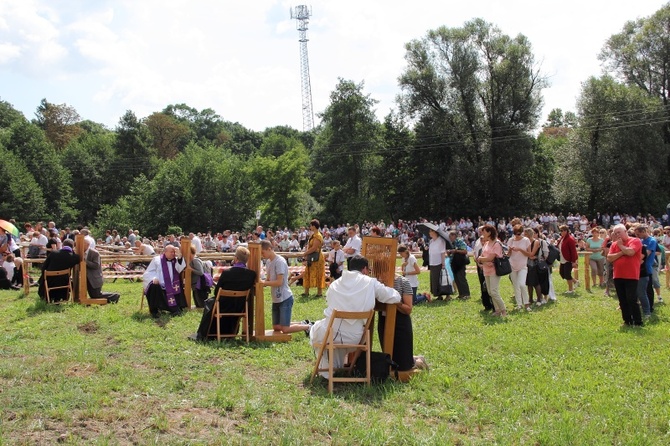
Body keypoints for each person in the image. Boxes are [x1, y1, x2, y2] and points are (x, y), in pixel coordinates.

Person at [309, 255, 401, 377]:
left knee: (316, 329)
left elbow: (329, 302)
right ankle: (333, 368)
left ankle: (328, 370)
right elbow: (394, 296)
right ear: (364, 269)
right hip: (356, 338)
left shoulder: (335, 284)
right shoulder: (370, 282)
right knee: (327, 330)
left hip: (330, 334)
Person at [191, 246, 257, 341]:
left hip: (223, 305)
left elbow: (217, 291)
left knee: (210, 303)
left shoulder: (227, 273)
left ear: (236, 258)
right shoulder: (252, 274)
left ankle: (204, 334)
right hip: (239, 306)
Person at [260, 240, 311, 334]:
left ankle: (309, 326)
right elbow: (268, 279)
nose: (262, 255)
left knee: (285, 329)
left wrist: (264, 283)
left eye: (262, 252)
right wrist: (261, 282)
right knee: (277, 327)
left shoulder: (279, 261)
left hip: (285, 298)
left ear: (269, 249)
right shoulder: (268, 262)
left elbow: (279, 282)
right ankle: (302, 323)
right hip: (276, 299)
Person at [607, 224, 643, 327]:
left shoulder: (635, 241)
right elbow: (609, 258)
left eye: (619, 232)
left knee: (631, 299)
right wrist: (622, 252)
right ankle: (627, 321)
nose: (617, 235)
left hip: (631, 275)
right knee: (622, 300)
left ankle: (638, 322)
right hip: (618, 275)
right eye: (615, 233)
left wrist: (621, 246)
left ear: (625, 231)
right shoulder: (614, 244)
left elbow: (631, 252)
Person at [378, 274, 415, 372]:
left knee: (404, 364)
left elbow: (408, 309)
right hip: (384, 321)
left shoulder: (403, 282)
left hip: (401, 323)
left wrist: (394, 301)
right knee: (390, 357)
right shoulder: (377, 283)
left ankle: (418, 362)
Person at [142, 245, 188, 317]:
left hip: (171, 285)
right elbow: (148, 272)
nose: (173, 254)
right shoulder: (157, 259)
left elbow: (180, 268)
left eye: (174, 252)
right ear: (165, 252)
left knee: (178, 285)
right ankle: (155, 311)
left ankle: (175, 309)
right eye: (171, 252)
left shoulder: (175, 260)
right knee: (154, 286)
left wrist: (179, 256)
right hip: (159, 284)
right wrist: (154, 278)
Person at [475, 225, 507, 317]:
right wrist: (481, 259)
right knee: (489, 291)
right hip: (486, 269)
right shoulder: (486, 243)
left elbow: (490, 258)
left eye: (484, 231)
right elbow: (481, 256)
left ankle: (503, 310)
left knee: (494, 291)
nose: (482, 234)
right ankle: (497, 310)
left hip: (494, 270)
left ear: (489, 232)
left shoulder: (496, 244)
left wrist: (481, 259)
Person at [507, 224, 532, 311]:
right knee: (516, 286)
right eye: (515, 233)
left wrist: (520, 250)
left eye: (518, 234)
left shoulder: (526, 240)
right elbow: (508, 254)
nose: (517, 236)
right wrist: (510, 250)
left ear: (521, 233)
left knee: (522, 284)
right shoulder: (510, 240)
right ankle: (519, 304)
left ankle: (526, 303)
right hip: (512, 265)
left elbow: (530, 254)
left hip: (522, 265)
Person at [635, 225, 657, 318]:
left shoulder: (652, 241)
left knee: (648, 289)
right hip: (639, 268)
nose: (637, 236)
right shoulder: (640, 241)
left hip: (647, 268)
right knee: (641, 289)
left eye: (638, 233)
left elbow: (646, 254)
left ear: (644, 231)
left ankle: (650, 308)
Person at [302, 219, 326, 297]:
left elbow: (314, 248)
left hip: (317, 257)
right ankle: (306, 292)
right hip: (311, 256)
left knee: (318, 273)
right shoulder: (313, 235)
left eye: (311, 225)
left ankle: (319, 293)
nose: (310, 227)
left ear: (314, 226)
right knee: (307, 272)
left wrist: (305, 253)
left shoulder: (318, 235)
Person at [428, 228, 450, 300]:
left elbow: (442, 252)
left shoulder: (441, 241)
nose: (429, 233)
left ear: (435, 232)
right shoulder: (431, 241)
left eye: (431, 231)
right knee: (434, 279)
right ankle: (438, 294)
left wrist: (443, 263)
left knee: (441, 278)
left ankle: (446, 294)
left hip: (439, 262)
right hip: (432, 262)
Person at [448, 231, 470, 300]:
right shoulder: (451, 243)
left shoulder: (460, 241)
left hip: (460, 263)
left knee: (461, 278)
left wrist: (456, 251)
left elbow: (465, 251)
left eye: (450, 236)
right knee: (456, 279)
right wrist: (449, 252)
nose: (449, 238)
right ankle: (461, 294)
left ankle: (466, 294)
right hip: (453, 263)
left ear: (454, 235)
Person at [558, 225, 578, 295]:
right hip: (562, 259)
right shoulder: (562, 238)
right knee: (562, 273)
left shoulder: (570, 239)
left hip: (568, 260)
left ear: (566, 231)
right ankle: (575, 281)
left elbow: (573, 251)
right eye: (560, 231)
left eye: (562, 231)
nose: (561, 232)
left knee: (567, 274)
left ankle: (571, 289)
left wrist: (573, 261)